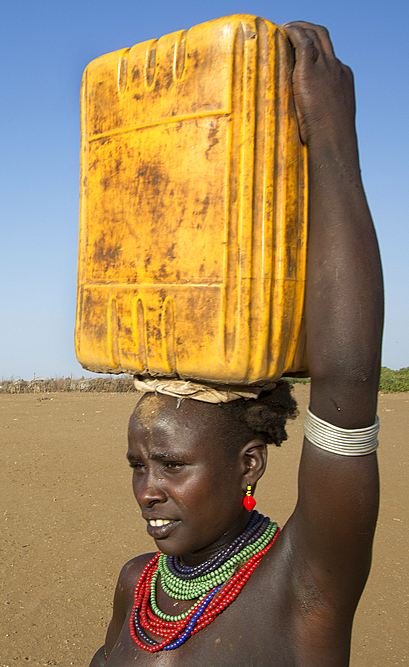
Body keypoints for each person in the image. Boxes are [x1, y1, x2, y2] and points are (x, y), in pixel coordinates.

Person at [89, 22, 383, 666]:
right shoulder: (135, 586)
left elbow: (346, 381)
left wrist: (332, 139)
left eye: (171, 465)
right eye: (139, 465)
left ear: (250, 464)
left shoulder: (302, 588)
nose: (147, 489)